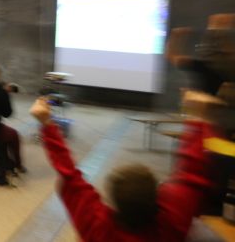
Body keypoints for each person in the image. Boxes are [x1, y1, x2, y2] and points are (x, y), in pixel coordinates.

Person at [29, 90, 222, 242]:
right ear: (158, 198)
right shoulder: (172, 223)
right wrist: (199, 119)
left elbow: (68, 175)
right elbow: (192, 174)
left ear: (113, 204)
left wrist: (46, 123)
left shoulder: (97, 224)